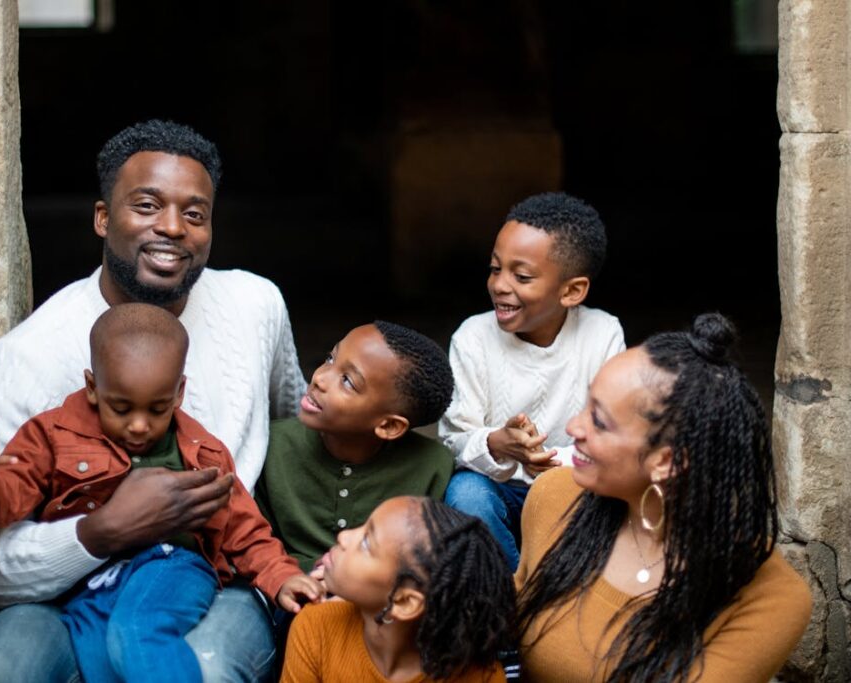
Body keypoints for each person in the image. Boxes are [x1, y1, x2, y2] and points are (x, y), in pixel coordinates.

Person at [0, 120, 306, 683]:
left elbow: (299, 427)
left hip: (211, 576)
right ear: (102, 218)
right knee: (2, 673)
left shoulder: (254, 306)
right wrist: (101, 531)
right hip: (64, 595)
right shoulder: (28, 356)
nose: (172, 227)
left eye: (195, 214)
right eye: (146, 206)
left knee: (209, 670)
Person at [0, 304, 320, 682]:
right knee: (98, 655)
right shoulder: (53, 435)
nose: (140, 425)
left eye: (157, 409)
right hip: (92, 582)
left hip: (172, 564)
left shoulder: (203, 453)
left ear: (178, 393)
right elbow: (12, 495)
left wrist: (280, 576)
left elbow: (243, 528)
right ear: (93, 387)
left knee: (137, 630)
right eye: (122, 408)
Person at [514, 314, 812, 682]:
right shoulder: (555, 496)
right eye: (586, 405)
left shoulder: (771, 597)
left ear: (667, 462)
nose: (573, 427)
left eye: (599, 421)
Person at [439, 192, 625, 568]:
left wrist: (552, 461)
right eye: (495, 269)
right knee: (466, 495)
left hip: (574, 485)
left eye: (521, 276)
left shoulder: (602, 333)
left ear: (571, 291)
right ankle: (514, 589)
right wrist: (497, 443)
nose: (499, 285)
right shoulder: (473, 338)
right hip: (498, 488)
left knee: (613, 499)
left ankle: (564, 585)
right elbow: (452, 440)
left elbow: (614, 431)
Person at [256, 321, 455, 572]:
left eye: (348, 381)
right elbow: (254, 543)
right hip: (280, 582)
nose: (319, 378)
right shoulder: (270, 445)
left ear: (389, 426)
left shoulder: (433, 466)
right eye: (330, 359)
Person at [281, 497, 517, 682]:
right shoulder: (316, 627)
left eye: (366, 543)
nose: (343, 536)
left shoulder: (481, 677)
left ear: (404, 602)